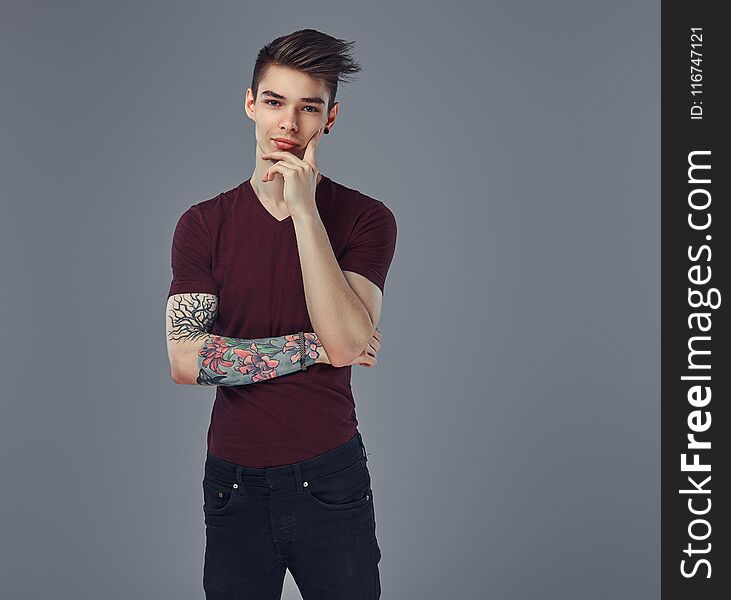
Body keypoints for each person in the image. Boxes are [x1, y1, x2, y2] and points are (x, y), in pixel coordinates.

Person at [164, 28, 397, 599]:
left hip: (331, 476)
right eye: (274, 102)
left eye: (307, 107)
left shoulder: (367, 219)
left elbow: (346, 345)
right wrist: (313, 346)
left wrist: (304, 212)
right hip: (233, 484)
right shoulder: (202, 225)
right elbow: (188, 360)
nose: (288, 125)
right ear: (251, 104)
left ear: (330, 120)